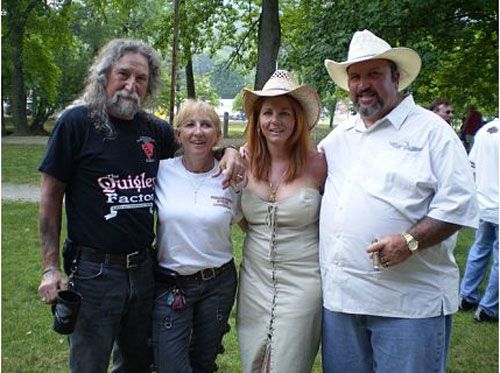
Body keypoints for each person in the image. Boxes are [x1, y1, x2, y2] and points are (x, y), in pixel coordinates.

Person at [37, 39, 244, 372]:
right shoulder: (76, 123)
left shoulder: (154, 131)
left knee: (137, 364)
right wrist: (50, 268)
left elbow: (196, 147)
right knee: (89, 363)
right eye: (123, 74)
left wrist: (230, 151)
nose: (131, 85)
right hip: (93, 272)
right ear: (104, 76)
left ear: (149, 87)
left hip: (145, 271)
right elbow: (49, 197)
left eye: (141, 78)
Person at [320, 30, 478, 373]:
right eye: (356, 76)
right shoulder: (340, 137)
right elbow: (292, 168)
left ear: (396, 77)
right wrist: (233, 153)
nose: (363, 84)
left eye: (374, 74)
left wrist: (410, 241)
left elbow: (460, 203)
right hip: (342, 302)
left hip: (408, 306)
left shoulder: (432, 133)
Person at [236, 70, 326, 372]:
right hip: (254, 279)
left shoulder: (318, 164)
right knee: (254, 362)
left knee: (287, 364)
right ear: (258, 121)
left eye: (285, 113)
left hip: (303, 281)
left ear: (297, 119)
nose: (276, 120)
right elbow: (240, 216)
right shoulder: (244, 162)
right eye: (268, 112)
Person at [152, 100, 242, 372]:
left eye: (206, 125)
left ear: (218, 135)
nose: (198, 132)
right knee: (170, 365)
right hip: (172, 284)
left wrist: (233, 152)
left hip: (218, 283)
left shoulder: (232, 175)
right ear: (178, 135)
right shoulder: (161, 171)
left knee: (204, 361)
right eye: (189, 124)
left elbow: (249, 221)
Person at [459, 118, 499, 322]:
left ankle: (466, 296)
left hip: (484, 204)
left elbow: (471, 166)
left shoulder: (484, 131)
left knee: (479, 250)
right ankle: (489, 308)